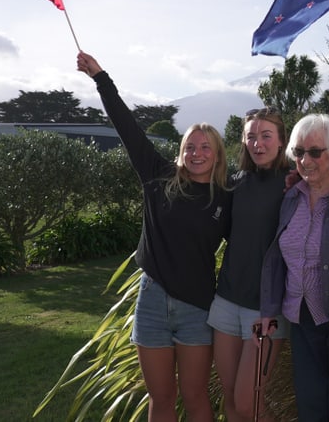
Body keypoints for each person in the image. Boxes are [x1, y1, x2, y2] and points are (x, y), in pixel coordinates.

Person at [76, 52, 231, 422]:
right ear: (181, 151)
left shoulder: (227, 196)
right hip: (153, 301)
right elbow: (126, 126)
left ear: (218, 154)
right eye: (190, 146)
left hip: (197, 306)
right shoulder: (158, 176)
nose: (196, 153)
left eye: (205, 147)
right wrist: (101, 78)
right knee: (160, 399)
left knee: (195, 399)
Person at [260, 113, 329, 422]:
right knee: (310, 406)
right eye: (300, 152)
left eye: (315, 152)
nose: (306, 160)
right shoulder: (292, 197)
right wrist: (268, 310)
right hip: (300, 320)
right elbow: (278, 258)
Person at [209, 107, 290, 422]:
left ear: (281, 141)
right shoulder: (235, 183)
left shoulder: (294, 183)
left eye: (266, 136)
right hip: (226, 302)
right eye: (251, 136)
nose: (258, 143)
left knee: (248, 405)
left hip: (266, 311)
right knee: (231, 403)